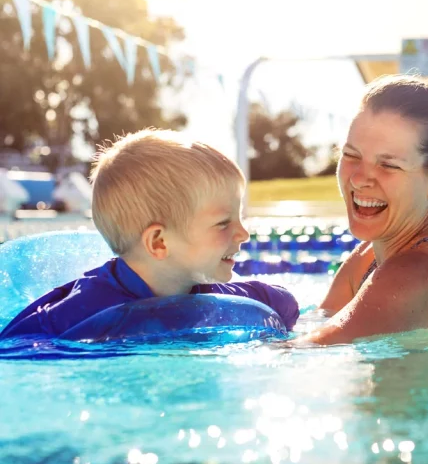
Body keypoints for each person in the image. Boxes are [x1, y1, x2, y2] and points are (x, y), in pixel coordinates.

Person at [0, 129, 298, 339]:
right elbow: (17, 350)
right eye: (223, 223)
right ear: (159, 242)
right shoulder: (80, 313)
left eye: (240, 217)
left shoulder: (205, 290)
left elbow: (282, 302)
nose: (243, 233)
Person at [301, 75, 428, 344]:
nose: (359, 179)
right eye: (351, 155)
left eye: (388, 165)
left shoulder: (412, 273)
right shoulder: (367, 257)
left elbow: (300, 352)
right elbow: (314, 325)